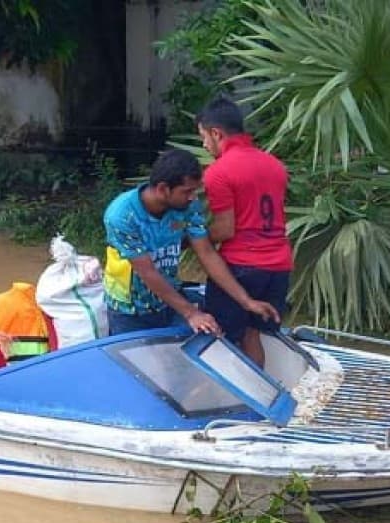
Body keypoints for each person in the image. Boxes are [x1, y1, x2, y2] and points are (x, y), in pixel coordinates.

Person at [103, 148, 279, 337]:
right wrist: (191, 313)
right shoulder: (121, 215)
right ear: (163, 189)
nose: (193, 197)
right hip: (129, 310)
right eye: (187, 191)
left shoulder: (187, 206)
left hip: (170, 300)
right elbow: (147, 272)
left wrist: (246, 301)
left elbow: (207, 253)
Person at [197, 98, 292, 369]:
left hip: (242, 267)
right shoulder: (275, 165)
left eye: (204, 137)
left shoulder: (218, 172)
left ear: (217, 133)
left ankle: (226, 402)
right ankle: (258, 401)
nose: (204, 145)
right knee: (252, 336)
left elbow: (225, 229)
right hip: (279, 266)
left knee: (220, 341)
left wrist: (195, 238)